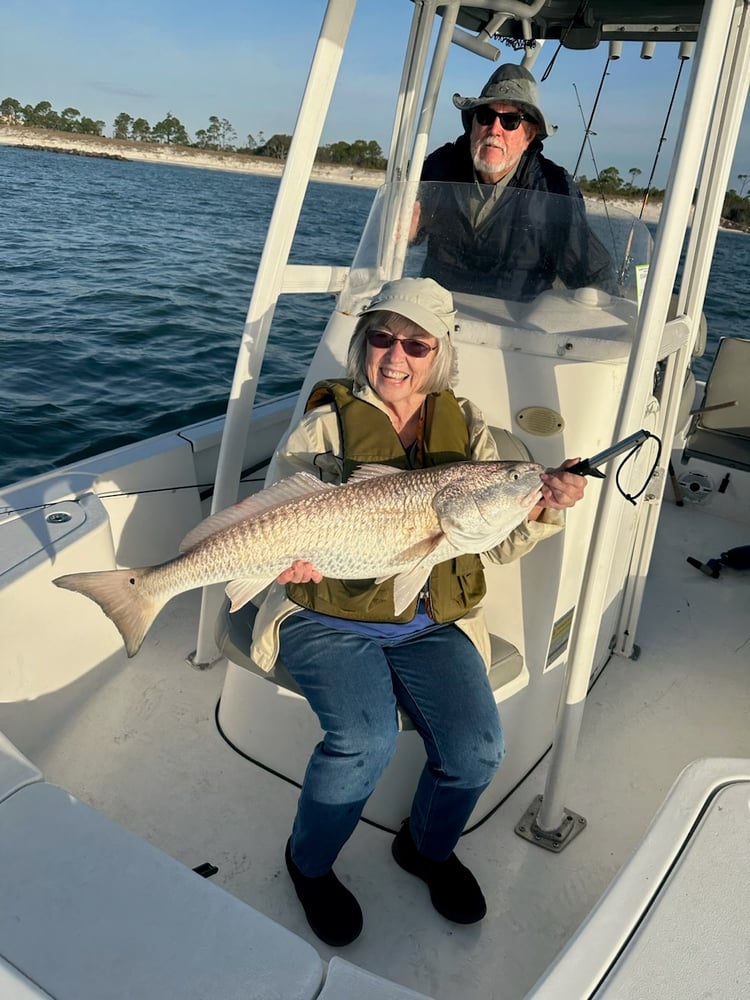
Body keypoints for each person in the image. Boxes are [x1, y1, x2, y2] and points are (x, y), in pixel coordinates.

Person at [250, 276, 586, 947]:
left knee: (477, 749)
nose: (396, 356)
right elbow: (271, 521)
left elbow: (504, 541)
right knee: (363, 742)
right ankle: (309, 864)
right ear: (362, 344)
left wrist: (545, 503)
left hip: (432, 620)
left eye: (417, 343)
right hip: (328, 619)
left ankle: (425, 850)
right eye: (381, 337)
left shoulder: (474, 437)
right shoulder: (323, 426)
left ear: (440, 354)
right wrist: (279, 561)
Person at [410, 63, 617, 301]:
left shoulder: (554, 189)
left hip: (514, 332)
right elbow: (404, 232)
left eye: (510, 121)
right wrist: (405, 232)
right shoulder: (440, 167)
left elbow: (595, 275)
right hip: (435, 325)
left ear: (529, 135)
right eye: (486, 116)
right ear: (473, 124)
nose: (494, 129)